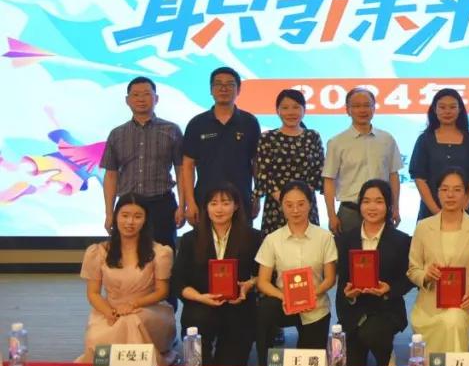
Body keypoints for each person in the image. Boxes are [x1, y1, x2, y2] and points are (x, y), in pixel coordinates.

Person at [407, 169, 469, 353]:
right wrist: (426, 275)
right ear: (437, 193)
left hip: (462, 303)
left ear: (466, 195)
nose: (450, 195)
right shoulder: (423, 227)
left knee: (453, 320)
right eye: (445, 189)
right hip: (429, 304)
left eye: (457, 190)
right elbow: (413, 269)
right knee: (432, 357)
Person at [77, 193, 175, 365]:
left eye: (137, 217)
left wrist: (133, 305)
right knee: (99, 338)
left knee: (131, 322)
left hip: (147, 310)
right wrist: (109, 312)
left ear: (145, 220)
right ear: (115, 217)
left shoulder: (160, 252)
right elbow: (93, 293)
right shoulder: (98, 252)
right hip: (110, 310)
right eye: (125, 215)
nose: (130, 222)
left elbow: (162, 291)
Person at [172, 184, 262, 366]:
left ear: (236, 206)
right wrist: (199, 297)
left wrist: (249, 285)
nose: (219, 209)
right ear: (206, 207)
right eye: (213, 203)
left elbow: (264, 275)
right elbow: (178, 280)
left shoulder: (253, 237)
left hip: (237, 306)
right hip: (200, 305)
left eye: (226, 203)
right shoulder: (190, 239)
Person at [254, 181, 337, 366]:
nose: (295, 210)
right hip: (284, 304)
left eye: (301, 204)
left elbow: (330, 278)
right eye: (289, 205)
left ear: (310, 204)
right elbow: (263, 281)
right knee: (265, 308)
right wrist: (284, 297)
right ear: (281, 206)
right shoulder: (272, 239)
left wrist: (312, 294)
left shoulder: (324, 237)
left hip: (315, 306)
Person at [335, 179, 414, 366]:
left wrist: (389, 289)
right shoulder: (345, 240)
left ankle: (386, 357)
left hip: (386, 309)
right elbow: (343, 280)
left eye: (379, 201)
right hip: (354, 311)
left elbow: (409, 278)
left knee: (372, 333)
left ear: (388, 206)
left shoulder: (401, 241)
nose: (372, 207)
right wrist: (349, 295)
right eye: (366, 201)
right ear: (359, 204)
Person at [102, 77, 185, 252]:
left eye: (147, 94)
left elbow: (181, 170)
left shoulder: (172, 130)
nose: (141, 99)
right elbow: (110, 175)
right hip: (128, 205)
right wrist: (109, 213)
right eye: (136, 95)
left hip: (162, 204)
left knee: (164, 255)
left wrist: (182, 205)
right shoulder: (117, 134)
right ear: (127, 100)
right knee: (126, 256)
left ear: (156, 99)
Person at [181, 66, 261, 223]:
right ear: (211, 90)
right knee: (204, 239)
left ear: (238, 90)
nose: (224, 88)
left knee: (242, 239)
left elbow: (257, 162)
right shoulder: (197, 123)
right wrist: (190, 202)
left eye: (230, 84)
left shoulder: (249, 122)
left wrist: (257, 197)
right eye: (218, 84)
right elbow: (188, 165)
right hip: (204, 200)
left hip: (241, 200)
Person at [323, 87, 403, 234]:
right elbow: (329, 180)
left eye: (367, 105)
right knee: (347, 249)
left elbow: (393, 175)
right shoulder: (337, 142)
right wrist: (331, 215)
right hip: (350, 212)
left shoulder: (387, 139)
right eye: (356, 106)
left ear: (374, 108)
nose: (362, 110)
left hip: (382, 211)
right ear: (348, 110)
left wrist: (396, 207)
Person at [255, 89, 325, 235]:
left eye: (296, 107)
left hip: (306, 204)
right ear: (277, 111)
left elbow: (319, 170)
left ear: (304, 110)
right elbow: (264, 173)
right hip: (276, 205)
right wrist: (285, 201)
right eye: (285, 108)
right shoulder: (268, 138)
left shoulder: (312, 136)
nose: (291, 112)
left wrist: (301, 200)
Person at [409, 89, 469, 222]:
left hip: (463, 212)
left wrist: (463, 208)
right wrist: (436, 212)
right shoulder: (424, 140)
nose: (447, 111)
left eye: (452, 107)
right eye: (442, 107)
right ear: (434, 110)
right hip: (430, 212)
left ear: (460, 109)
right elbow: (419, 177)